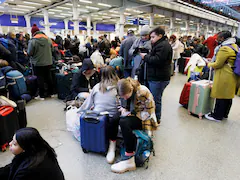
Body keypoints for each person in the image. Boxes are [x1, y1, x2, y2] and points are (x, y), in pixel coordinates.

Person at [110, 77, 158, 173]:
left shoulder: (143, 92)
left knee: (124, 122)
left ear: (131, 90)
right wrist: (123, 110)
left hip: (142, 117)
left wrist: (132, 114)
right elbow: (119, 104)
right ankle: (112, 146)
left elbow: (150, 112)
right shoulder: (121, 90)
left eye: (125, 96)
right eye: (122, 96)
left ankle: (129, 157)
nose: (123, 98)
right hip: (129, 112)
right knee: (114, 118)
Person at [78, 66, 120, 164]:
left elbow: (87, 104)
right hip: (113, 119)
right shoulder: (119, 87)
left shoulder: (97, 87)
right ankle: (112, 146)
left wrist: (80, 111)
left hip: (97, 116)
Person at [0, 127, 65, 180]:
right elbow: (12, 167)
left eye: (14, 144)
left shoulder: (27, 171)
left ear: (25, 148)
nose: (10, 144)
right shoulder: (41, 150)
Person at [140, 27, 173, 124]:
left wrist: (145, 57)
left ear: (160, 36)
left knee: (155, 99)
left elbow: (157, 60)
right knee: (155, 98)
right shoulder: (160, 44)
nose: (151, 39)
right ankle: (154, 116)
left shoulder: (163, 46)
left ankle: (156, 119)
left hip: (158, 78)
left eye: (153, 37)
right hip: (157, 76)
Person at [205, 31, 238, 121]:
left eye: (218, 38)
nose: (217, 40)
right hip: (232, 73)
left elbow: (218, 64)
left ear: (222, 38)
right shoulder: (234, 46)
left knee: (220, 95)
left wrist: (208, 64)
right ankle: (224, 114)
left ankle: (217, 116)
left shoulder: (224, 48)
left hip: (224, 74)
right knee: (228, 96)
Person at [27, 24, 54, 100]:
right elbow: (52, 50)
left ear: (33, 33)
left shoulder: (33, 41)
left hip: (37, 62)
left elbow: (30, 52)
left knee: (40, 78)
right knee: (49, 77)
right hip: (48, 62)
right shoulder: (48, 39)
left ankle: (42, 95)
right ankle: (51, 93)